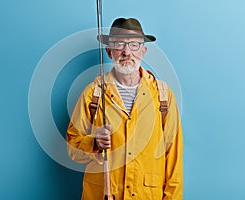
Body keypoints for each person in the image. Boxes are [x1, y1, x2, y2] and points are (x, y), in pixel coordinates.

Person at [66, 18, 183, 200]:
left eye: (134, 45)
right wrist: (94, 143)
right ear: (109, 51)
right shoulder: (92, 94)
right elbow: (72, 148)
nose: (127, 52)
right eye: (120, 44)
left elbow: (174, 161)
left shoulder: (163, 97)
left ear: (143, 51)